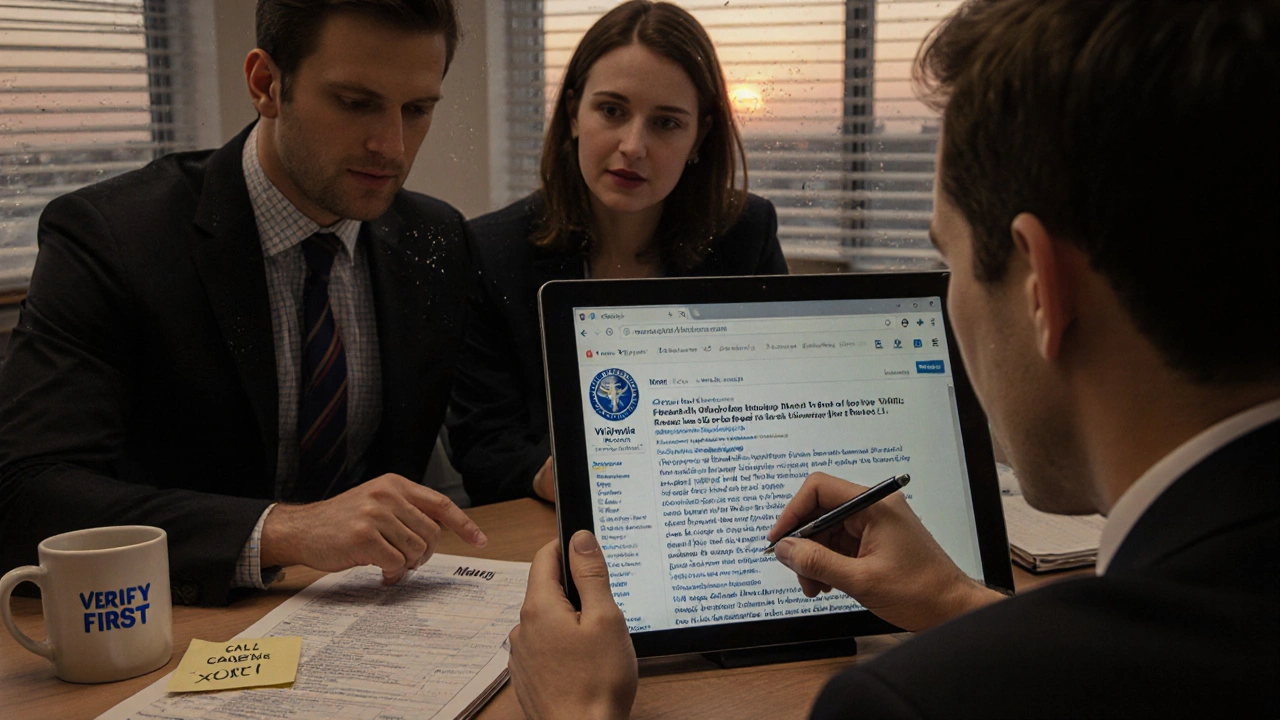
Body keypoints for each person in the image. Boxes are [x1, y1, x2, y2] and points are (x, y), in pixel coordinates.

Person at [505, 0, 1280, 716]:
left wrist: (580, 712)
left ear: (1042, 286)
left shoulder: (905, 703)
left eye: (950, 260)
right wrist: (953, 600)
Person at [0, 0, 489, 607]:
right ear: (266, 84)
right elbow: (25, 493)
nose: (391, 146)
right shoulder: (113, 238)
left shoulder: (435, 239)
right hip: (175, 625)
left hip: (370, 620)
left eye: (417, 110)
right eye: (354, 102)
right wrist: (285, 532)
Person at [446, 0, 788, 506]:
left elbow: (780, 403)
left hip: (715, 507)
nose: (633, 145)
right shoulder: (492, 251)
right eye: (612, 111)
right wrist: (561, 479)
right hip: (558, 523)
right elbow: (484, 449)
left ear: (701, 136)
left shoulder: (746, 233)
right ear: (573, 113)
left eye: (666, 123)